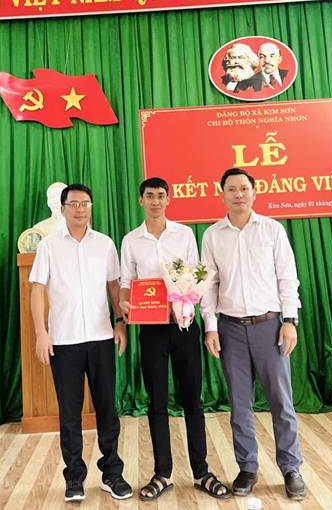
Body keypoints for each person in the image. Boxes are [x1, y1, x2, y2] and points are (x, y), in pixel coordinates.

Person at [119, 177, 231, 502]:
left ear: (168, 199)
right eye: (149, 196)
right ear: (140, 200)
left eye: (160, 195)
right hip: (150, 330)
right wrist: (125, 305)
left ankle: (201, 472)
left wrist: (197, 314)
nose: (155, 201)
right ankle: (162, 474)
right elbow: (126, 282)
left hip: (184, 326)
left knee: (192, 399)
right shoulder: (131, 241)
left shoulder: (184, 235)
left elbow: (197, 277)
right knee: (156, 401)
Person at [200, 168, 307, 501]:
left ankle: (291, 468)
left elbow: (287, 278)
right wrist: (211, 326)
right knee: (239, 404)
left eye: (244, 188)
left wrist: (290, 320)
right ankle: (247, 468)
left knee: (281, 401)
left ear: (254, 192)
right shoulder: (212, 235)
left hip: (270, 327)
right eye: (231, 189)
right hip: (230, 329)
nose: (238, 194)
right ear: (222, 194)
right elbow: (209, 286)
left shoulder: (272, 230)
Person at [29, 183, 132, 502]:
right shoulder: (49, 246)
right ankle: (74, 477)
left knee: (107, 409)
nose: (79, 209)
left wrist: (120, 322)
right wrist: (41, 333)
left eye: (85, 203)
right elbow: (37, 289)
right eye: (73, 204)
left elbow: (114, 286)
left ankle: (112, 473)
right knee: (70, 414)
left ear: (91, 207)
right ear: (62, 209)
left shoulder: (104, 244)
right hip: (64, 341)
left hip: (101, 338)